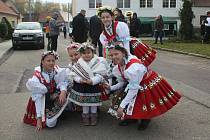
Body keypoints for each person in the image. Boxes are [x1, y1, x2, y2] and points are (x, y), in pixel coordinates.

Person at [104, 45, 181, 130]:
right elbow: (123, 82)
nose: (113, 57)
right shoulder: (117, 68)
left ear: (123, 53)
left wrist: (121, 106)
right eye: (111, 55)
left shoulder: (133, 68)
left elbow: (133, 89)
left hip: (147, 81)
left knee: (145, 100)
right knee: (131, 100)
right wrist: (111, 88)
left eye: (116, 54)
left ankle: (145, 119)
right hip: (134, 83)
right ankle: (132, 118)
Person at [23, 51, 69, 131]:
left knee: (68, 88)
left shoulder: (57, 71)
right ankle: (51, 114)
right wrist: (39, 119)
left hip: (53, 97)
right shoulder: (37, 76)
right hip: (42, 101)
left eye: (53, 61)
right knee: (50, 124)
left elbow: (62, 83)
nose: (51, 63)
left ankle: (59, 111)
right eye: (48, 61)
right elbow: (38, 98)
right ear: (42, 61)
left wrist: (63, 92)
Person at [69, 42, 108, 126]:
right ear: (80, 54)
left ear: (93, 52)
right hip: (83, 86)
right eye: (84, 53)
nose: (86, 55)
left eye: (88, 53)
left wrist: (93, 81)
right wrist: (80, 80)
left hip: (94, 86)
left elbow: (100, 75)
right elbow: (74, 75)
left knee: (93, 103)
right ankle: (85, 116)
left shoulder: (97, 62)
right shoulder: (78, 64)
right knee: (85, 104)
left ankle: (94, 116)